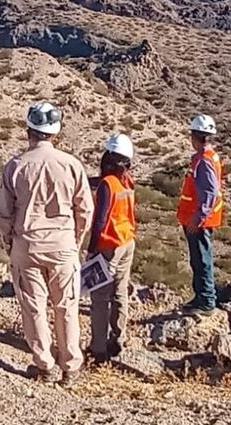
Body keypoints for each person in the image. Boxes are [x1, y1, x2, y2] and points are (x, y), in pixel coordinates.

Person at [0, 102, 93, 386]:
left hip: (26, 245)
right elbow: (84, 210)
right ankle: (71, 367)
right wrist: (75, 241)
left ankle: (44, 365)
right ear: (56, 134)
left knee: (33, 307)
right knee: (67, 307)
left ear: (29, 131)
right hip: (63, 245)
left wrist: (9, 244)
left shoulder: (15, 166)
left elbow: (4, 213)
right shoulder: (72, 165)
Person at [87, 134, 137, 364]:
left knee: (99, 298)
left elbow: (100, 220)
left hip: (109, 245)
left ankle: (98, 349)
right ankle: (118, 339)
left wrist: (91, 249)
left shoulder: (107, 185)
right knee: (120, 293)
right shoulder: (128, 181)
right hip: (127, 242)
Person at [177, 114, 225, 316]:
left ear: (194, 137)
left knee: (201, 259)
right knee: (198, 259)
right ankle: (201, 297)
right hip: (198, 219)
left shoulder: (204, 161)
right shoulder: (207, 157)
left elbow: (210, 192)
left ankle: (206, 300)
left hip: (199, 221)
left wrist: (198, 217)